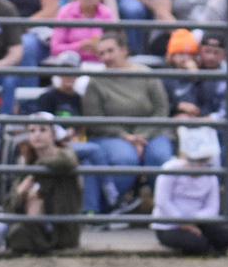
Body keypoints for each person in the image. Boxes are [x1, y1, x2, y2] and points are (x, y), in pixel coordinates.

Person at [74, 27, 173, 210]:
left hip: (149, 133)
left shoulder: (146, 74)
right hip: (111, 136)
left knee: (160, 158)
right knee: (125, 160)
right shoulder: (95, 82)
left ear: (124, 50)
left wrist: (142, 135)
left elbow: (161, 109)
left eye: (110, 51)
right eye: (102, 53)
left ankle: (164, 209)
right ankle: (109, 207)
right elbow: (94, 120)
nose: (107, 57)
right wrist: (125, 137)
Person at [1, 113, 82, 251]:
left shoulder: (65, 154)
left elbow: (68, 161)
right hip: (34, 224)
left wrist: (38, 168)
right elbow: (8, 206)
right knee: (17, 234)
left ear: (53, 134)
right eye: (32, 131)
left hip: (62, 227)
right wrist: (21, 193)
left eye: (43, 130)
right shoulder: (27, 162)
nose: (37, 135)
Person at [150, 121, 228, 251]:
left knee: (226, 237)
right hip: (168, 225)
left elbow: (212, 207)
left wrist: (194, 221)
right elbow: (163, 201)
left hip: (200, 221)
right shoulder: (170, 169)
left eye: (204, 160)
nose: (199, 164)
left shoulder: (211, 174)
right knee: (197, 244)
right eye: (195, 159)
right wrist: (182, 222)